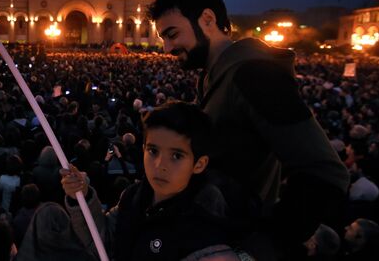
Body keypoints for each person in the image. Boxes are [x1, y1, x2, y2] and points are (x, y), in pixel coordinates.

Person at [149, 0, 349, 258]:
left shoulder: (253, 74)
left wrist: (261, 246)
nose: (167, 48)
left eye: (172, 34)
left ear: (207, 19)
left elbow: (326, 172)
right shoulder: (214, 76)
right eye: (163, 38)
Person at [61, 101, 246, 261]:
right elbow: (104, 240)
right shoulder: (133, 196)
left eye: (176, 155)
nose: (159, 165)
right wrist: (82, 196)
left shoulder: (206, 231)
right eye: (153, 151)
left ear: (199, 164)